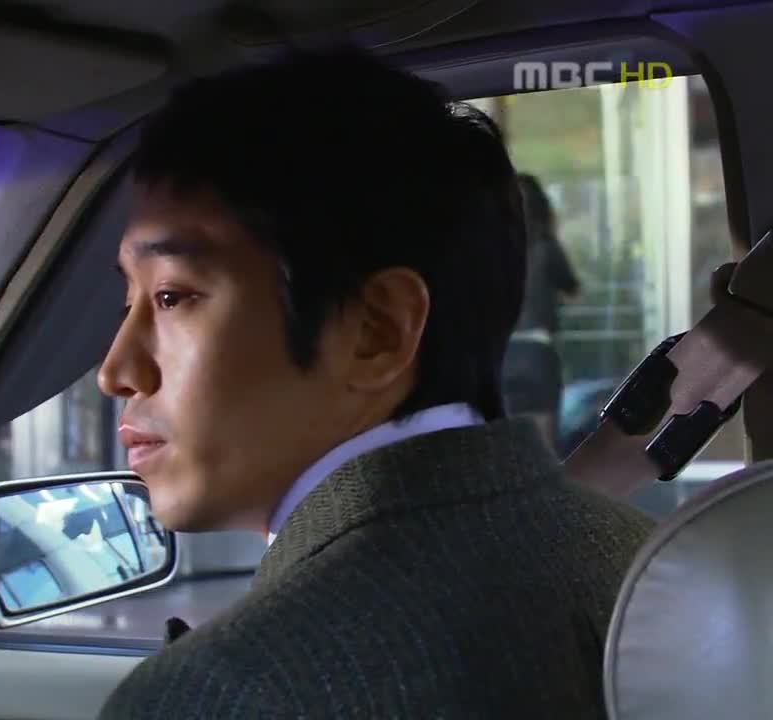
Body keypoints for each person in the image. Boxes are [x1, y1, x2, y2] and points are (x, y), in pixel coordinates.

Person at [95, 47, 653, 719]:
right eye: (130, 301)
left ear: (375, 332)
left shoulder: (225, 691)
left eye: (172, 297)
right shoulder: (649, 565)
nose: (116, 371)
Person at [503, 173, 581, 452]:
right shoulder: (547, 246)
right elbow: (573, 289)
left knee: (508, 447)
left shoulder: (494, 251)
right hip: (538, 353)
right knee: (545, 449)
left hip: (502, 356)